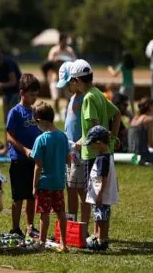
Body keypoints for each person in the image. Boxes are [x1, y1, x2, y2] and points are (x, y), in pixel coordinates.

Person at [56, 59, 121, 226]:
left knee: (91, 193)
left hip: (88, 153)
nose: (68, 88)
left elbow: (94, 128)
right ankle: (95, 233)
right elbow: (117, 113)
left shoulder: (88, 98)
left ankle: (88, 231)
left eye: (69, 83)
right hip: (89, 151)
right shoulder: (96, 93)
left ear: (76, 80)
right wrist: (112, 138)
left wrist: (84, 143)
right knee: (93, 193)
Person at [30, 102, 70, 253]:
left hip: (44, 183)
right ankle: (64, 244)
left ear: (40, 121)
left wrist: (34, 186)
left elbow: (38, 166)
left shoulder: (41, 140)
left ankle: (41, 243)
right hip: (59, 183)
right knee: (61, 213)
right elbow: (68, 159)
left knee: (44, 214)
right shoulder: (63, 137)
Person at [6, 73, 41, 237]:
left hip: (34, 161)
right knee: (18, 196)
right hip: (19, 160)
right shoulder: (15, 112)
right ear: (22, 93)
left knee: (32, 195)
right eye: (31, 94)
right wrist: (24, 150)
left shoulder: (36, 111)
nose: (34, 98)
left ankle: (30, 227)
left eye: (36, 94)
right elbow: (9, 136)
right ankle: (15, 228)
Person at [84, 126, 119, 251]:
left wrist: (99, 194)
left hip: (101, 196)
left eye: (92, 145)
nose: (91, 147)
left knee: (100, 218)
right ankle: (100, 238)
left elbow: (103, 178)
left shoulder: (102, 159)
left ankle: (100, 240)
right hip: (102, 195)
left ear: (98, 143)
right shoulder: (106, 155)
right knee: (101, 217)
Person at [63, 71, 86, 220]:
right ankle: (72, 222)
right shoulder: (72, 98)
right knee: (70, 188)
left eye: (67, 84)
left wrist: (80, 143)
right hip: (70, 151)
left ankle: (83, 225)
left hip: (80, 152)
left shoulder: (85, 99)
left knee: (80, 190)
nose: (66, 87)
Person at [47, 33, 76, 120]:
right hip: (55, 77)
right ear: (60, 41)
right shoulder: (54, 50)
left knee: (69, 97)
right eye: (64, 41)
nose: (65, 43)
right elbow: (49, 63)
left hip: (67, 78)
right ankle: (56, 113)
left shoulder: (70, 51)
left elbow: (74, 62)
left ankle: (65, 111)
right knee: (55, 97)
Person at [108, 50, 136, 115]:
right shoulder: (131, 65)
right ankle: (133, 115)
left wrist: (110, 69)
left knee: (118, 100)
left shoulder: (122, 65)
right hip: (131, 85)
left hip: (124, 86)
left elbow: (114, 74)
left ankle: (118, 114)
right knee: (131, 102)